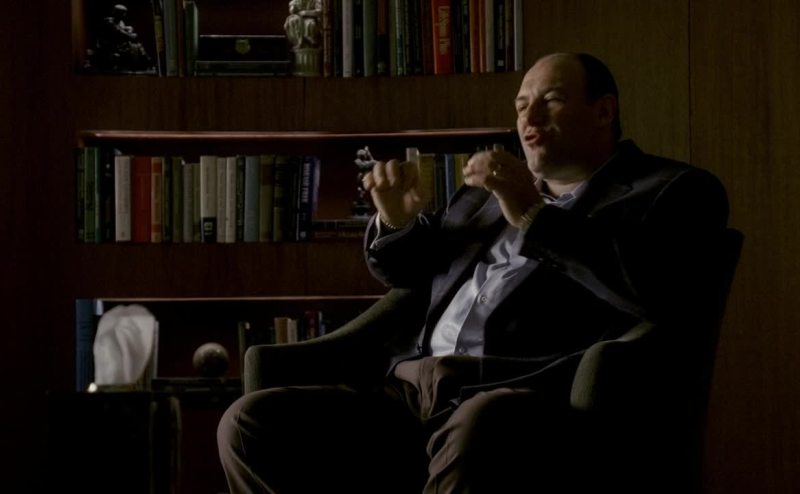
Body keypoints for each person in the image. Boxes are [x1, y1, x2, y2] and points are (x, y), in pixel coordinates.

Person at [217, 52, 729, 493]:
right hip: (414, 388)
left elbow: (659, 294)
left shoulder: (672, 191)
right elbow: (411, 276)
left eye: (551, 100)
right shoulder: (482, 194)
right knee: (249, 423)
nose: (529, 116)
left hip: (525, 392)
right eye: (521, 104)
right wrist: (396, 221)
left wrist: (534, 215)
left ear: (604, 111)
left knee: (480, 424)